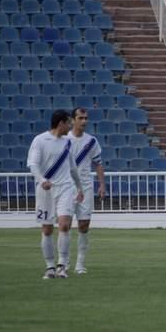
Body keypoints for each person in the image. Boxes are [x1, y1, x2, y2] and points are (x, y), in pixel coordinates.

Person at [27, 110, 84, 280]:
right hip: (45, 190)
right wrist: (41, 180)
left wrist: (79, 187)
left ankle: (62, 265)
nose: (71, 126)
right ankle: (49, 266)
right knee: (47, 229)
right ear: (61, 123)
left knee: (64, 225)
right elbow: (33, 164)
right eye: (69, 123)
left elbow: (73, 168)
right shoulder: (40, 140)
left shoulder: (67, 143)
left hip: (65, 188)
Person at [68, 107, 105, 275]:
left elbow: (98, 164)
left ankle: (80, 264)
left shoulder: (91, 141)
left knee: (84, 225)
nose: (84, 121)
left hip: (85, 186)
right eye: (80, 118)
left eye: (86, 118)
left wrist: (102, 185)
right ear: (72, 120)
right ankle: (64, 262)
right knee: (65, 224)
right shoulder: (64, 140)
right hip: (67, 186)